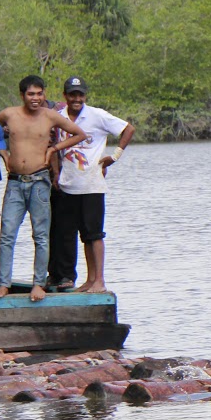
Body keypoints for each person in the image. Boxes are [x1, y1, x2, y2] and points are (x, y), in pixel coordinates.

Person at [0, 75, 87, 301]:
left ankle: (39, 284)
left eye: (39, 94)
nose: (35, 98)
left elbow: (80, 134)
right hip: (15, 182)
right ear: (22, 95)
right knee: (7, 234)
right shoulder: (9, 114)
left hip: (39, 181)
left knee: (41, 236)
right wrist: (3, 153)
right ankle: (3, 284)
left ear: (44, 95)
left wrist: (54, 149)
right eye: (31, 94)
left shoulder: (50, 116)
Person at [48, 76, 134, 293]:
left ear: (85, 96)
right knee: (77, 235)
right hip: (67, 184)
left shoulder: (97, 115)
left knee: (94, 234)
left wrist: (114, 156)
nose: (76, 99)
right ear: (65, 96)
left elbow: (128, 129)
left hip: (91, 184)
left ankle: (99, 281)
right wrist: (56, 173)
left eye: (80, 95)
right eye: (72, 94)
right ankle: (89, 279)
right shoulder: (58, 117)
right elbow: (54, 146)